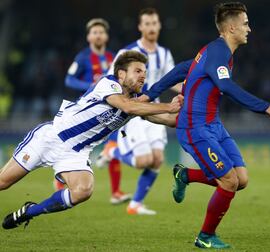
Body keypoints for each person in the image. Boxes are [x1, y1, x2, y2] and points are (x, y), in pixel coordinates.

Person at [138, 2, 270, 249]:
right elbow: (226, 87)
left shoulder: (215, 51)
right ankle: (204, 237)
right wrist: (264, 106)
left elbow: (182, 70)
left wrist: (150, 93)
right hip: (196, 129)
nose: (249, 29)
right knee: (229, 181)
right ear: (231, 28)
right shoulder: (217, 52)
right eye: (246, 24)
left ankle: (184, 174)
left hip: (213, 125)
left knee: (242, 179)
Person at [0, 51, 182, 230]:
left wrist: (186, 104)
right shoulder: (108, 83)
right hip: (49, 139)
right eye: (138, 71)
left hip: (75, 153)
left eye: (145, 72)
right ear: (121, 73)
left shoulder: (137, 103)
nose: (143, 76)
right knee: (3, 182)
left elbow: (170, 120)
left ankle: (30, 212)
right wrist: (168, 105)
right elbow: (128, 107)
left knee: (83, 191)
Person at [96, 8, 179, 214]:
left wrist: (195, 88)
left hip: (155, 110)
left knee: (158, 159)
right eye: (147, 24)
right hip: (133, 113)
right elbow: (111, 80)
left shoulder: (164, 54)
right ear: (140, 27)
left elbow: (173, 82)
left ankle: (135, 204)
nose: (151, 27)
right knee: (144, 161)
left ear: (159, 26)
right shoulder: (127, 54)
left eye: (154, 23)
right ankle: (112, 151)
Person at [61, 18, 131, 204]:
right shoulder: (82, 57)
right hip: (87, 111)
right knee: (76, 147)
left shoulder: (113, 58)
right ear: (89, 36)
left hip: (110, 109)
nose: (98, 35)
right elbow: (69, 80)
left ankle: (115, 191)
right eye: (95, 32)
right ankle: (62, 182)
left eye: (101, 32)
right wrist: (91, 85)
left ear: (106, 36)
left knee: (114, 145)